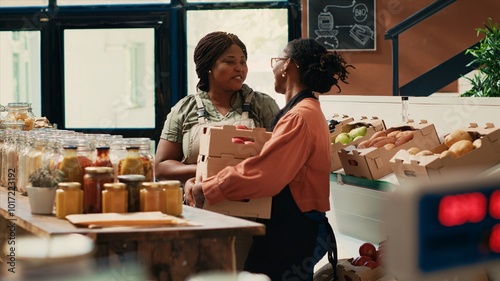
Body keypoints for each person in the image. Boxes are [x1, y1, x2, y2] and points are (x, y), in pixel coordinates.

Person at [185, 38, 354, 281]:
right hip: (294, 227)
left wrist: (207, 188)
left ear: (287, 66)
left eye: (277, 61)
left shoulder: (300, 116)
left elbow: (266, 174)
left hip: (294, 231)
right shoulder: (305, 111)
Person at [155, 31, 280, 183]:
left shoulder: (263, 105)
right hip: (197, 204)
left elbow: (280, 158)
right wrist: (211, 168)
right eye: (230, 62)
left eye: (243, 61)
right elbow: (161, 168)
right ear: (209, 67)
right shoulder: (184, 109)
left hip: (251, 203)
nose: (239, 68)